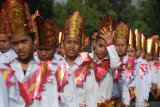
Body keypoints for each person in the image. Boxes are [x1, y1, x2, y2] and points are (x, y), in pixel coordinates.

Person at [3, 0, 59, 106]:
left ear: (33, 42)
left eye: (24, 42)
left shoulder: (48, 71)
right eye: (15, 43)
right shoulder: (5, 71)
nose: (20, 47)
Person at [55, 11, 97, 107]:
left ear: (81, 46)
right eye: (68, 42)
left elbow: (91, 96)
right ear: (63, 43)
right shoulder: (56, 65)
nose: (72, 46)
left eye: (76, 43)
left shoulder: (87, 68)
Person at [89, 15, 121, 107]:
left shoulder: (111, 62)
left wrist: (110, 43)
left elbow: (116, 64)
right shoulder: (86, 59)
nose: (103, 50)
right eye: (100, 46)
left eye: (106, 47)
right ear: (94, 43)